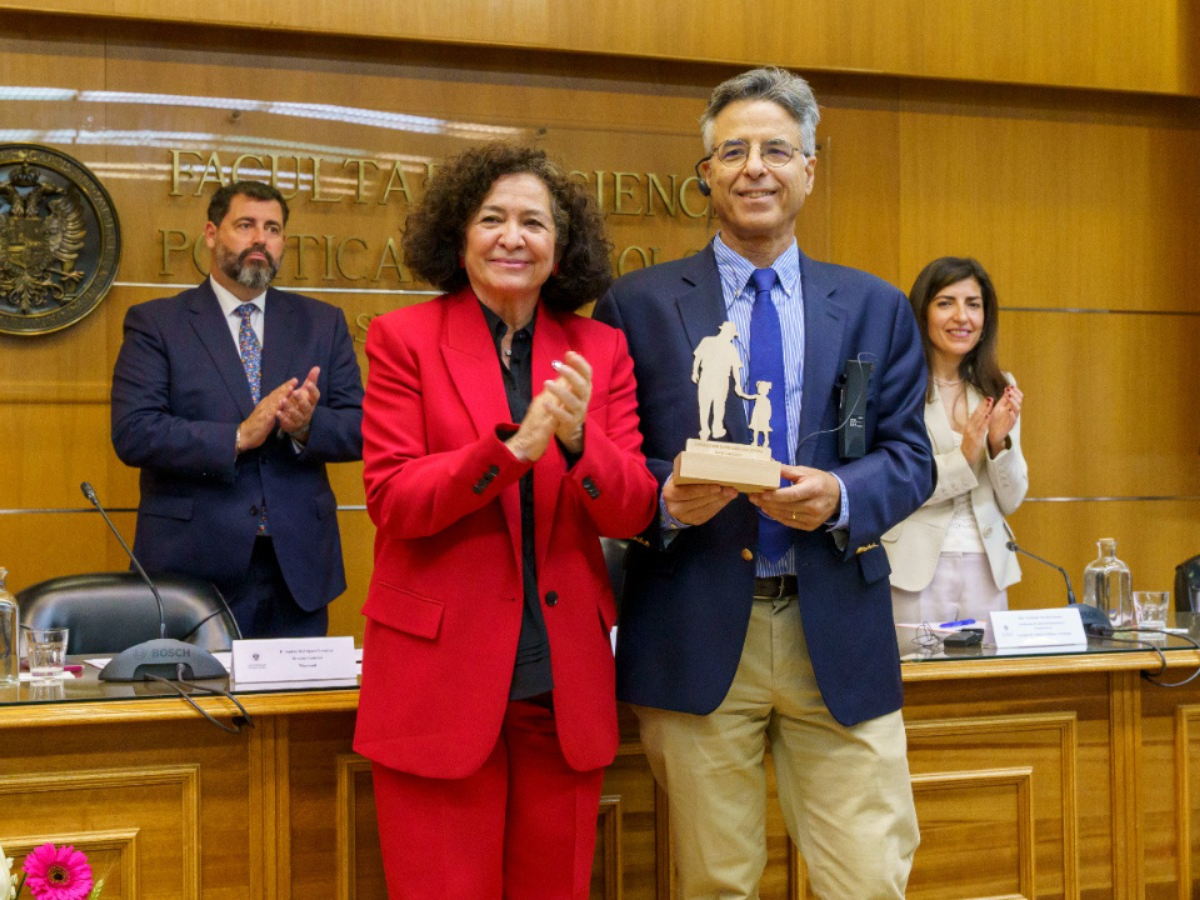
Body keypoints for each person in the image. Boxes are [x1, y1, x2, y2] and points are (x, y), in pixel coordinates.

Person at [593, 67, 933, 899]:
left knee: (867, 881)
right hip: (695, 626)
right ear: (704, 171)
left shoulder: (874, 306)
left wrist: (843, 497)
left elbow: (908, 456)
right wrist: (662, 501)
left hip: (838, 631)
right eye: (733, 150)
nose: (755, 167)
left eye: (777, 149)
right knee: (718, 884)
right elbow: (605, 460)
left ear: (810, 168)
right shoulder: (633, 305)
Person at [353, 143, 658, 900]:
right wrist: (514, 450)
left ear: (562, 248)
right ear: (461, 237)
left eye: (533, 222)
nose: (512, 237)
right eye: (492, 219)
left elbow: (634, 508)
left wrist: (582, 440)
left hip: (561, 686)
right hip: (438, 681)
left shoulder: (601, 349)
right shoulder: (404, 341)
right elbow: (392, 498)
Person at [111, 180, 364, 639]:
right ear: (211, 233)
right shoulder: (157, 323)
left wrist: (307, 426)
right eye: (245, 225)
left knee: (291, 710)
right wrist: (237, 436)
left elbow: (360, 426)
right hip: (192, 566)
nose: (259, 240)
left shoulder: (322, 322)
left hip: (298, 566)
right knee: (195, 706)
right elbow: (134, 431)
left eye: (272, 229)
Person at [885, 257, 1028, 625]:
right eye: (946, 303)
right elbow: (895, 489)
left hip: (987, 564)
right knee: (921, 680)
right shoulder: (896, 387)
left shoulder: (998, 386)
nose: (962, 317)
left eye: (973, 305)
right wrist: (964, 456)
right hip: (913, 570)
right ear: (923, 312)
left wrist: (998, 446)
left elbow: (1011, 500)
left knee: (983, 681)